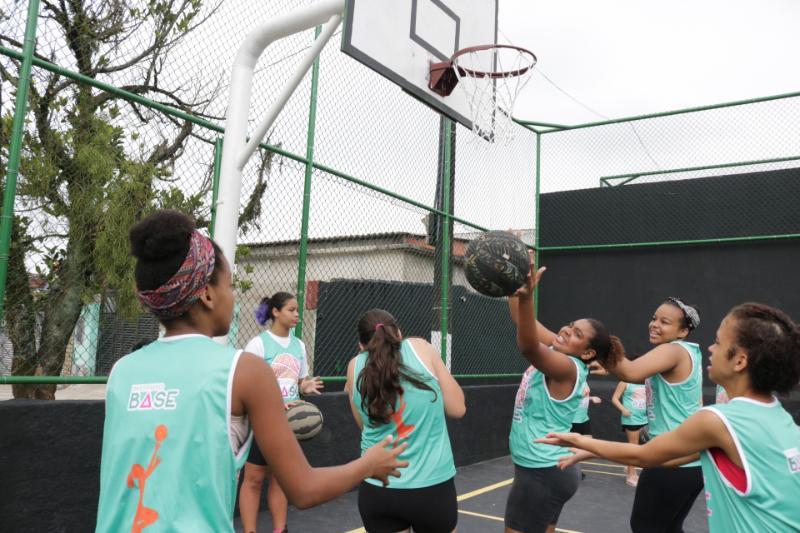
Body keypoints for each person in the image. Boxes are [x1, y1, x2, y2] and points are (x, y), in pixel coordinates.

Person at [95, 210, 407, 533]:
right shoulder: (243, 371)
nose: (233, 295)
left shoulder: (121, 372)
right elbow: (303, 488)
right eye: (229, 285)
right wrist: (368, 465)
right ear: (207, 293)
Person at [538, 302, 800, 532]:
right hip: (681, 466)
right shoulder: (783, 421)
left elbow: (645, 455)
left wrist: (579, 441)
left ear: (740, 361)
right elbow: (686, 453)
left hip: (670, 467)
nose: (710, 348)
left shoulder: (718, 420)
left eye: (719, 343)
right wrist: (597, 451)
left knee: (645, 527)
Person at [505, 254, 624, 533]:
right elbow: (521, 320)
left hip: (541, 473)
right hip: (552, 468)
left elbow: (528, 347)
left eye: (576, 334)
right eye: (570, 326)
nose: (566, 331)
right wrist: (515, 282)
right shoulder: (561, 350)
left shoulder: (567, 367)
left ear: (588, 352)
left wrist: (526, 298)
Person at [582, 297, 704, 532]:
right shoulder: (690, 353)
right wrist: (610, 367)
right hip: (690, 463)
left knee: (644, 527)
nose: (654, 324)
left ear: (683, 331)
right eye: (653, 318)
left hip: (669, 459)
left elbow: (630, 371)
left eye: (664, 322)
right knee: (669, 527)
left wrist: (597, 342)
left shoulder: (672, 350)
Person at [344, 309, 466, 533]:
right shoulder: (421, 348)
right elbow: (458, 408)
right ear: (398, 333)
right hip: (431, 488)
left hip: (379, 487)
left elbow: (364, 425)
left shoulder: (355, 366)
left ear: (361, 345)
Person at [239, 292, 324, 533]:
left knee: (280, 480)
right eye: (291, 310)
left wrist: (305, 386)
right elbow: (247, 384)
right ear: (275, 312)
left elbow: (299, 381)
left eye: (297, 310)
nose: (297, 314)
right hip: (262, 422)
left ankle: (280, 530)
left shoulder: (299, 346)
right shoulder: (257, 344)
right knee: (254, 480)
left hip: (288, 425)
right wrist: (272, 404)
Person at [611, 374, 648, 486]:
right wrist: (623, 409)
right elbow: (614, 398)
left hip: (644, 418)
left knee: (643, 446)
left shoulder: (646, 382)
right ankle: (631, 475)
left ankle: (629, 468)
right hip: (631, 419)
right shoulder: (625, 382)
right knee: (633, 447)